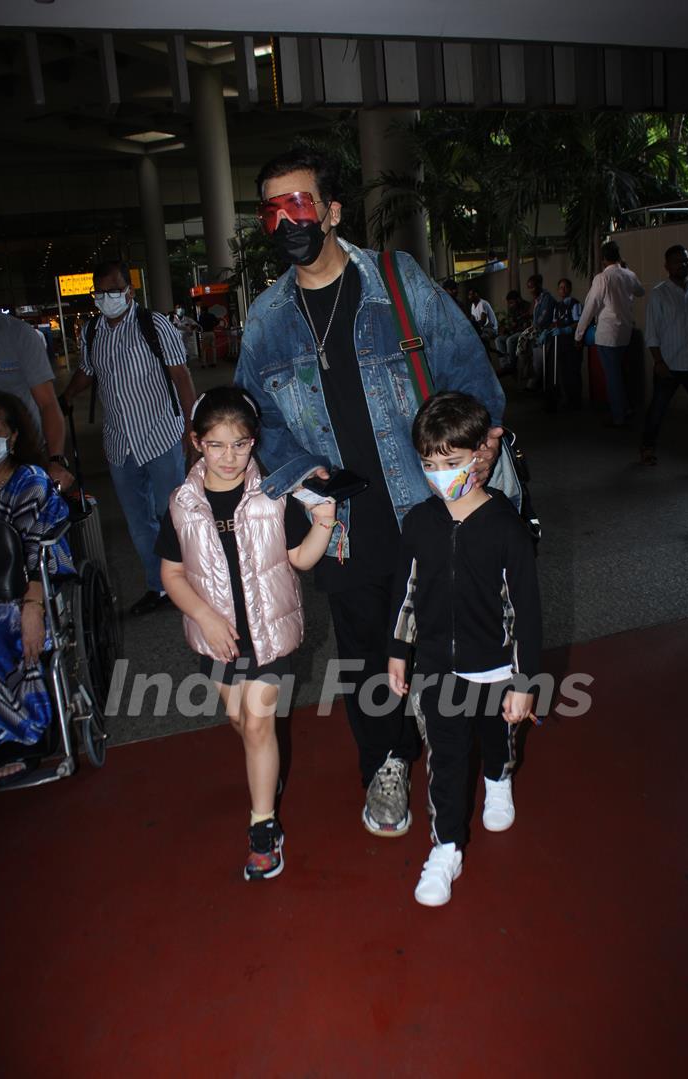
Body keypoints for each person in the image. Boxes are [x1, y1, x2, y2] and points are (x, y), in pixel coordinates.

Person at [235, 147, 508, 839]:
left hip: (424, 504)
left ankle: (464, 748)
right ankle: (385, 763)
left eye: (298, 204)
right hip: (342, 520)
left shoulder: (396, 281)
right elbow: (251, 417)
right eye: (273, 211)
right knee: (362, 653)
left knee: (441, 641)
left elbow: (465, 365)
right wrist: (299, 471)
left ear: (330, 210)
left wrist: (480, 448)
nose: (286, 221)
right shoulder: (266, 318)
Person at [156, 387, 336, 880]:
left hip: (269, 632)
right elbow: (171, 574)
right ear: (197, 443)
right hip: (216, 636)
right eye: (216, 444)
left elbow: (299, 559)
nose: (229, 457)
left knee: (257, 726)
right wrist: (206, 618)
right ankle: (267, 772)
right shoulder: (182, 504)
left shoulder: (274, 495)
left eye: (240, 444)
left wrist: (323, 523)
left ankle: (263, 827)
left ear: (253, 442)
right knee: (241, 723)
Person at [388, 391, 542, 906]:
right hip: (437, 668)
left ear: (479, 455)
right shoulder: (418, 523)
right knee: (447, 759)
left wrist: (524, 682)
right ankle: (446, 847)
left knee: (497, 736)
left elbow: (526, 612)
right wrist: (398, 651)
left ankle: (499, 779)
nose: (439, 474)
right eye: (429, 464)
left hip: (497, 665)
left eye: (450, 463)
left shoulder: (506, 529)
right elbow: (407, 592)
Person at [61, 260, 197, 616]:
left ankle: (194, 584)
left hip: (160, 436)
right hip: (120, 444)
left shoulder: (154, 326)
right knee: (140, 524)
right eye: (100, 293)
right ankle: (161, 587)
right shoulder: (91, 332)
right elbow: (87, 372)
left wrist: (192, 427)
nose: (107, 298)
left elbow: (181, 376)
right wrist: (66, 395)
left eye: (113, 291)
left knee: (172, 514)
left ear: (129, 292)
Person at [0, 391, 74, 788]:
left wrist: (32, 607)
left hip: (23, 595)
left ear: (11, 437)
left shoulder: (31, 483)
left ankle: (14, 738)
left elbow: (43, 551)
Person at [639, 246, 688, 473]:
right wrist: (658, 362)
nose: (683, 265)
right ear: (667, 266)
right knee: (658, 409)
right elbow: (652, 333)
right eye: (678, 261)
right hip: (668, 364)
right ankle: (648, 448)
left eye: (686, 260)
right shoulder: (659, 294)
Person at [0, 307, 74, 491]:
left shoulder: (19, 335)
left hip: (22, 455)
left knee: (29, 511)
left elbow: (48, 404)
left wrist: (56, 460)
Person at [574, 241, 644, 427]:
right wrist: (627, 270)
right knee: (620, 373)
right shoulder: (629, 274)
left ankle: (618, 416)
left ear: (603, 259)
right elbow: (641, 291)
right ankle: (626, 408)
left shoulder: (602, 279)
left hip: (607, 334)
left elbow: (590, 307)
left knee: (613, 377)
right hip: (625, 333)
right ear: (618, 256)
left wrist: (579, 335)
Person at [538, 278, 584, 411]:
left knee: (572, 372)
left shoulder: (575, 304)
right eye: (560, 288)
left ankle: (576, 402)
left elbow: (578, 322)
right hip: (559, 343)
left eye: (565, 287)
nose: (562, 290)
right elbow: (554, 322)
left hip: (571, 342)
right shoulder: (557, 306)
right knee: (562, 372)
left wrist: (567, 329)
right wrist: (547, 331)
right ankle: (565, 400)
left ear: (570, 289)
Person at [522, 274, 555, 389]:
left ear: (539, 285)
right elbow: (532, 315)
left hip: (545, 333)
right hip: (537, 333)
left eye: (532, 287)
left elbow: (543, 318)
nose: (530, 290)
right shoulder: (537, 299)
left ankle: (536, 384)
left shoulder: (547, 299)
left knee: (539, 361)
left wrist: (532, 329)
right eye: (529, 287)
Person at [495, 290, 531, 376]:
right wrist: (506, 329)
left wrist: (515, 328)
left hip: (525, 333)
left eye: (511, 303)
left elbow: (528, 326)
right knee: (498, 340)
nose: (510, 305)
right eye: (509, 303)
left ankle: (511, 366)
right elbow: (513, 324)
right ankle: (505, 366)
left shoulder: (528, 307)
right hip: (515, 332)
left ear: (518, 300)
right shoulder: (512, 310)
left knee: (510, 340)